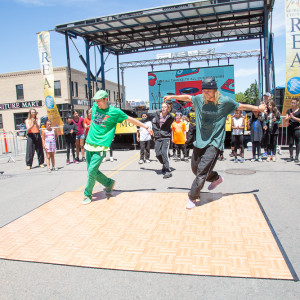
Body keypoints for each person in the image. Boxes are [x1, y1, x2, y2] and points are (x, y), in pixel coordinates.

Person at [163, 77, 266, 209]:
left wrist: (258, 108)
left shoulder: (224, 101)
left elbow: (240, 106)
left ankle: (192, 197)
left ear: (215, 90)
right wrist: (171, 97)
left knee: (201, 171)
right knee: (195, 169)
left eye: (208, 91)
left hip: (214, 142)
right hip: (200, 141)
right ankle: (216, 178)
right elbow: (188, 98)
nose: (205, 94)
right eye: (204, 91)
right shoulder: (200, 99)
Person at [82, 90, 153, 205]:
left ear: (106, 99)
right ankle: (109, 183)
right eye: (96, 100)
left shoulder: (115, 112)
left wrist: (145, 127)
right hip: (89, 143)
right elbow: (92, 111)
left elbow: (130, 119)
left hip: (101, 146)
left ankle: (87, 194)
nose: (97, 102)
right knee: (92, 171)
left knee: (91, 171)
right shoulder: (95, 106)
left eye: (99, 100)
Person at [148, 102, 175, 178]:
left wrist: (168, 108)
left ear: (168, 108)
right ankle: (164, 164)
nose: (163, 108)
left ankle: (168, 171)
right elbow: (147, 117)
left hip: (166, 136)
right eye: (162, 107)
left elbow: (174, 114)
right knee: (157, 153)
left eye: (165, 107)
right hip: (157, 137)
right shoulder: (156, 114)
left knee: (164, 153)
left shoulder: (170, 117)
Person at [285, 97, 300, 163]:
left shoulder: (299, 110)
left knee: (297, 142)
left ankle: (296, 157)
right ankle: (291, 156)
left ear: (297, 103)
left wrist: (293, 117)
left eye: (294, 103)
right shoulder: (289, 110)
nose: (292, 104)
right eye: (292, 102)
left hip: (297, 127)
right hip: (290, 127)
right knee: (290, 142)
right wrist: (289, 117)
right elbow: (285, 119)